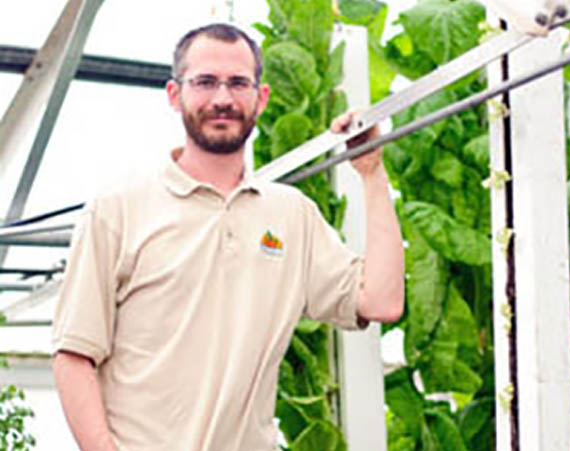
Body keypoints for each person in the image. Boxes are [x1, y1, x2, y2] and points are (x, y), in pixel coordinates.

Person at [51, 23, 404, 451]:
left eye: (238, 83)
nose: (222, 99)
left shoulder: (291, 215)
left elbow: (381, 301)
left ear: (261, 98)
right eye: (205, 82)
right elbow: (74, 356)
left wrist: (372, 173)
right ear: (174, 94)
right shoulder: (118, 209)